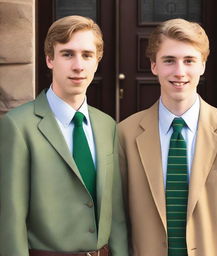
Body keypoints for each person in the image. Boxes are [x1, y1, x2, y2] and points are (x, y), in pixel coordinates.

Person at [118, 18, 217, 256]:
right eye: (169, 61)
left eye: (189, 60)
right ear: (154, 66)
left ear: (202, 65)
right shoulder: (125, 134)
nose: (179, 72)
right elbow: (119, 222)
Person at [0, 15, 128, 256]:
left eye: (87, 55)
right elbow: (10, 218)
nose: (78, 65)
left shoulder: (107, 125)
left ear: (97, 62)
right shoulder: (17, 126)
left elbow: (116, 212)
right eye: (68, 54)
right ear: (50, 59)